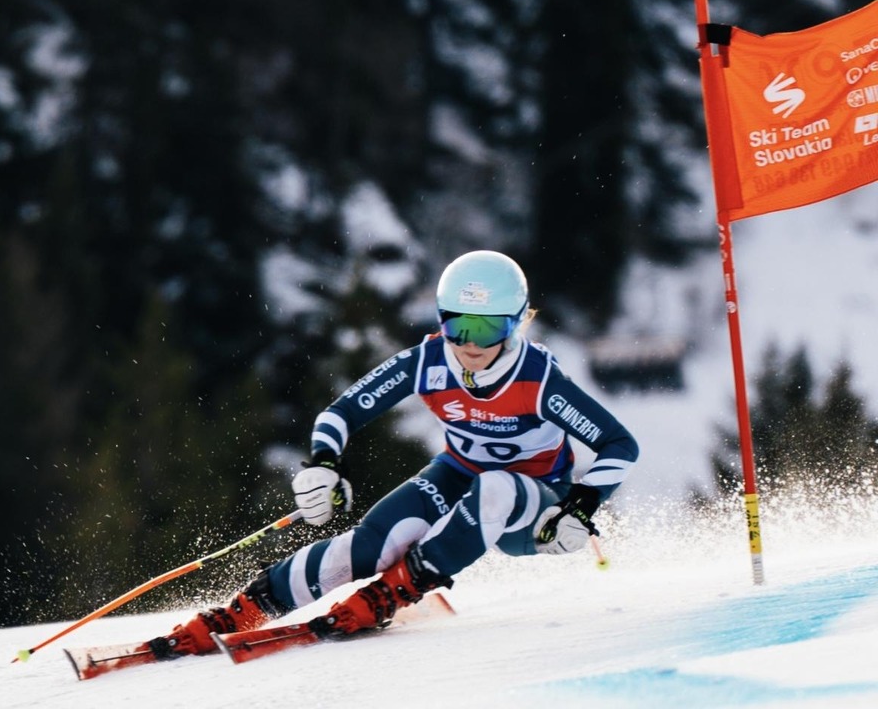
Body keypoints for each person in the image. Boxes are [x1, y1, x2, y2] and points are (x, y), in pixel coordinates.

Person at [147, 250, 639, 657]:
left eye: (485, 330)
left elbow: (619, 444)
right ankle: (248, 607)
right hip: (457, 474)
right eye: (456, 326)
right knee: (373, 543)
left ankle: (394, 592)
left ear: (515, 325)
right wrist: (324, 463)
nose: (468, 344)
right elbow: (340, 414)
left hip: (532, 507)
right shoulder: (426, 362)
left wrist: (581, 505)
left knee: (495, 487)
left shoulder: (539, 380)